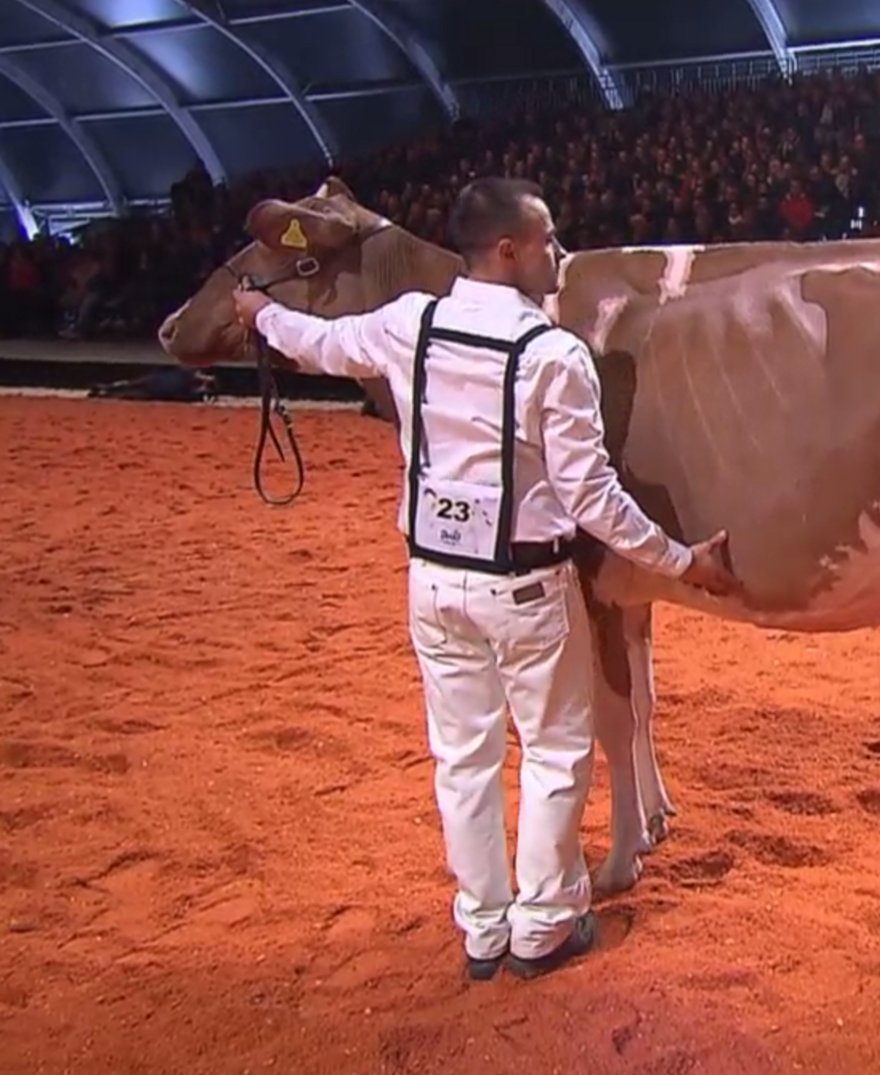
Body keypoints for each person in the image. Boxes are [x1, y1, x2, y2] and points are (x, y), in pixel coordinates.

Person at [231, 176, 741, 983]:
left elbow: (319, 344)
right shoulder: (553, 354)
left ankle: (482, 925)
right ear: (507, 249)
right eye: (545, 240)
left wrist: (263, 316)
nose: (556, 253)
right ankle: (542, 925)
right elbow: (591, 497)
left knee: (462, 758)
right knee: (553, 752)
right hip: (527, 588)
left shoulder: (412, 324)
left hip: (433, 582)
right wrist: (680, 560)